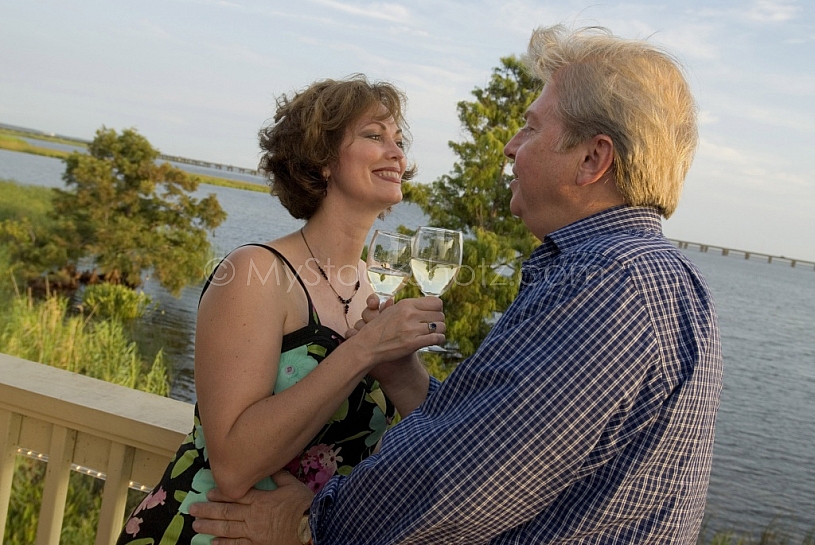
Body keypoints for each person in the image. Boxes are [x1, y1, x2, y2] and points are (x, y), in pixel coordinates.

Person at [190, 24, 723, 544]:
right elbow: (477, 436)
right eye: (374, 136)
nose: (510, 147)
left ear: (592, 159)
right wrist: (398, 372)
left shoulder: (607, 282)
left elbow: (464, 479)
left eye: (531, 129)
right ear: (322, 159)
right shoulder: (654, 277)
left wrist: (309, 525)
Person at [115, 75, 446, 544]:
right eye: (375, 135)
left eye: (399, 141)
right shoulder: (254, 272)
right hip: (204, 530)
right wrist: (364, 350)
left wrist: (400, 365)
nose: (397, 153)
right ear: (323, 159)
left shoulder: (379, 287)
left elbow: (421, 442)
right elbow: (233, 466)